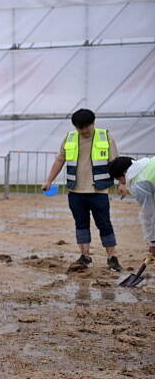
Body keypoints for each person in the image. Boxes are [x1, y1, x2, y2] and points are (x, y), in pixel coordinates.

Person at [42, 109, 123, 272]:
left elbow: (115, 162)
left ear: (93, 123)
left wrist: (122, 182)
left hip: (98, 191)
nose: (84, 131)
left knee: (104, 224)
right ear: (75, 127)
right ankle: (84, 256)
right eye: (80, 128)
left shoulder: (105, 136)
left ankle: (112, 257)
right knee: (81, 224)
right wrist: (49, 180)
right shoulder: (70, 137)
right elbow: (60, 159)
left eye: (87, 127)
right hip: (75, 191)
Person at [108, 156, 155, 258]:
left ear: (124, 173)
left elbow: (148, 215)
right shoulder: (147, 165)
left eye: (119, 179)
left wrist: (152, 242)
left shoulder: (140, 184)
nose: (121, 183)